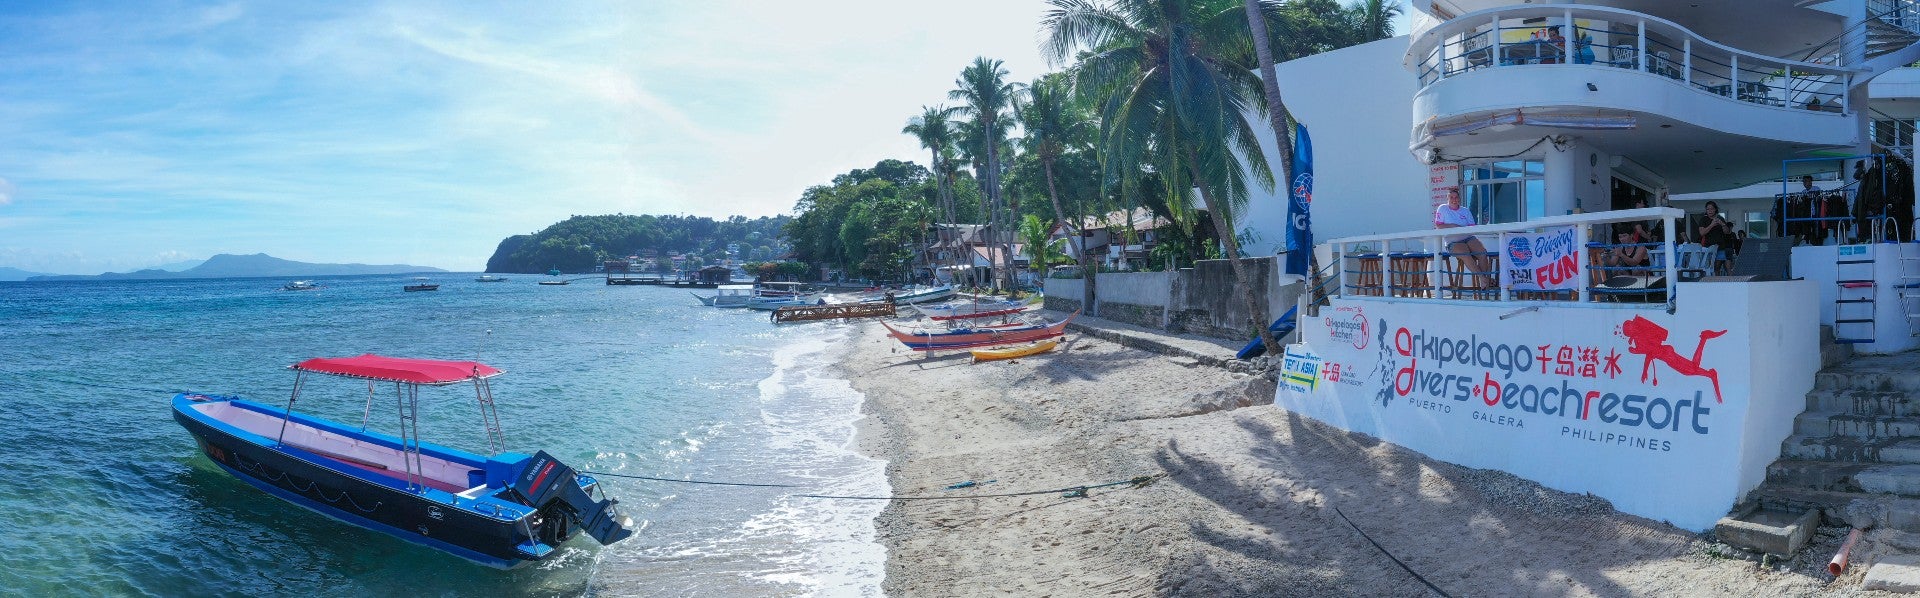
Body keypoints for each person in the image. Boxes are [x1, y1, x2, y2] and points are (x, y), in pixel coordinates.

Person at [1435, 187, 1492, 289]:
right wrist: (1453, 226)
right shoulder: (1442, 208)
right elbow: (1439, 225)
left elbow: (1472, 227)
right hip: (1452, 242)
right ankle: (1484, 279)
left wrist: (1463, 229)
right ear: (1447, 198)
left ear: (1459, 198)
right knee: (1465, 254)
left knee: (1482, 253)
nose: (1454, 199)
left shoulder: (1465, 211)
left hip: (1468, 238)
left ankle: (1483, 282)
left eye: (1456, 197)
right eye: (1451, 197)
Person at [1697, 201, 1732, 274]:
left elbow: (1727, 232)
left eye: (1712, 209)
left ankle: (1717, 284)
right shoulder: (1703, 219)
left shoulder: (1720, 218)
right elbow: (1702, 233)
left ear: (1715, 209)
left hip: (1721, 247)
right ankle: (1710, 283)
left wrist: (1722, 224)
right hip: (1708, 248)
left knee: (1717, 268)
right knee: (1709, 268)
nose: (1710, 211)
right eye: (1708, 209)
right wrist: (1712, 224)